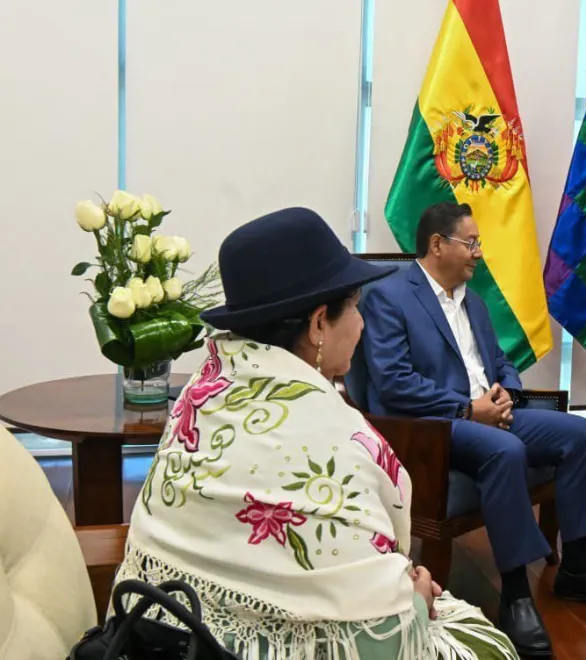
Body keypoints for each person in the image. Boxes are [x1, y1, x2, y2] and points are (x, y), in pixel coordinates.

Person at [111, 207, 519, 659]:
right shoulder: (333, 434)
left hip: (155, 625)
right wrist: (416, 602)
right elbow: (381, 633)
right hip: (251, 645)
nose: (363, 325)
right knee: (490, 645)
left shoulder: (201, 390)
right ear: (319, 323)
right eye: (357, 308)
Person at [359, 202, 586, 657]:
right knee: (503, 450)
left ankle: (576, 568)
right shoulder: (389, 296)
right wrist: (468, 409)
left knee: (582, 434)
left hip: (486, 412)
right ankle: (515, 593)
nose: (479, 252)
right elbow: (392, 381)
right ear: (437, 244)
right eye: (470, 242)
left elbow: (501, 361)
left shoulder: (473, 299)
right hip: (429, 426)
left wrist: (506, 391)